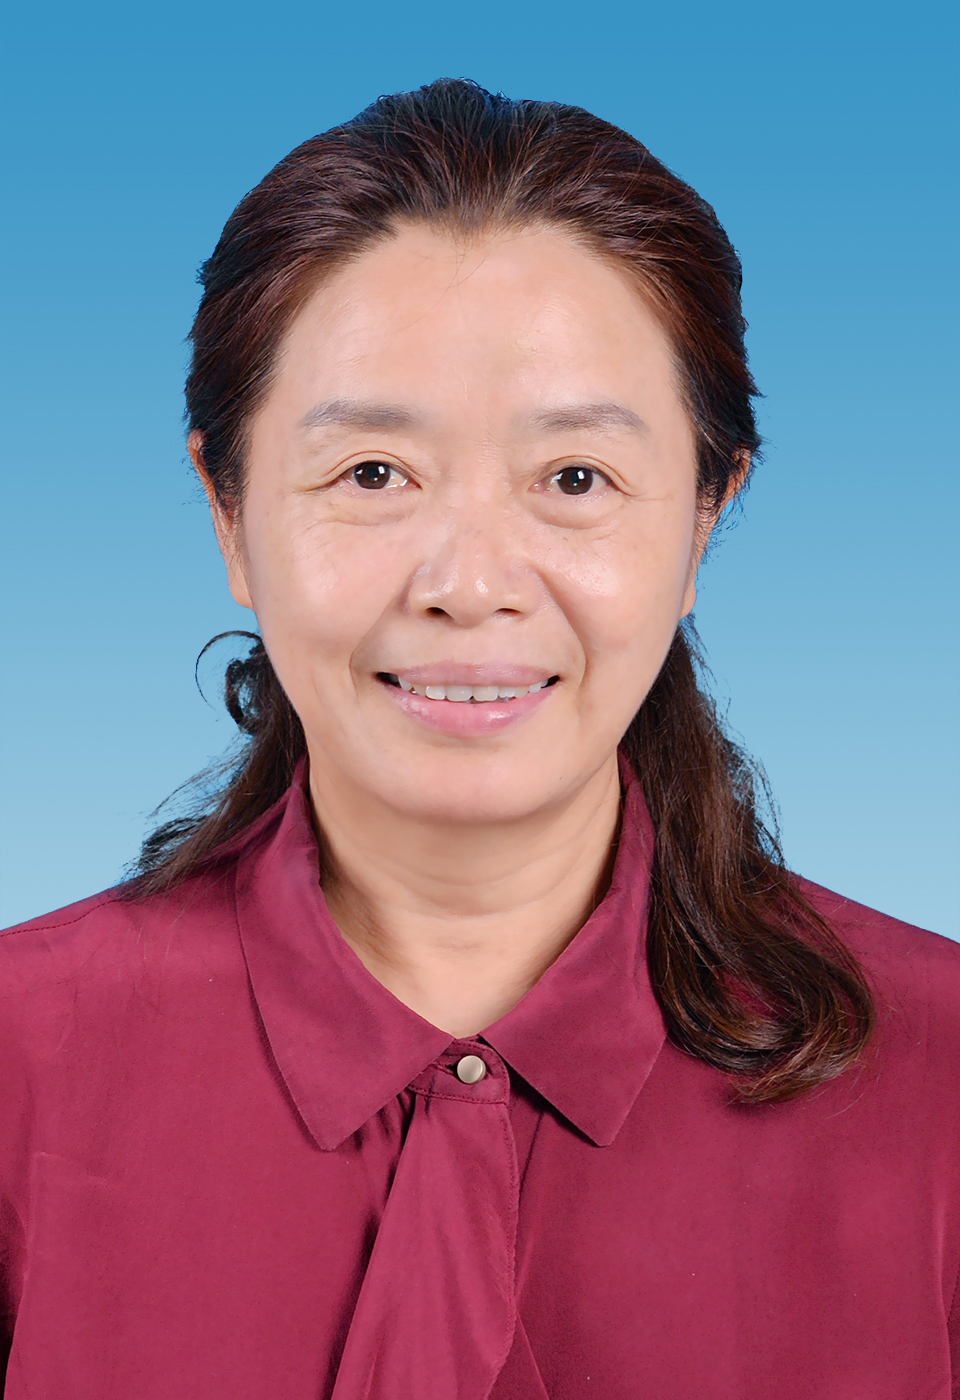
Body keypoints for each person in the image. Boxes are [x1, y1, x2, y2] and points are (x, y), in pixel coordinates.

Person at [0, 79, 957, 1400]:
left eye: (575, 478)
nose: (469, 583)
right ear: (229, 514)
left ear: (703, 519)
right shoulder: (21, 1068)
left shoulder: (941, 1082)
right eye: (372, 474)